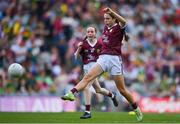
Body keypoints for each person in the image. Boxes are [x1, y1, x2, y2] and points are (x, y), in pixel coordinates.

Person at [61, 7, 143, 121]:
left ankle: (136, 109)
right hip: (103, 58)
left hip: (115, 60)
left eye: (108, 19)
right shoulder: (105, 28)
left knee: (122, 90)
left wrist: (112, 12)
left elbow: (124, 22)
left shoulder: (119, 27)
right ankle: (71, 93)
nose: (106, 21)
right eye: (105, 19)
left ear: (114, 19)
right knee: (88, 77)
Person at [71, 26, 118, 119]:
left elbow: (105, 55)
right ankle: (112, 95)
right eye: (88, 32)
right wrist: (78, 49)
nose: (90, 33)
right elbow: (76, 57)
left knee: (86, 87)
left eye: (92, 31)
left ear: (95, 33)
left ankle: (87, 111)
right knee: (98, 90)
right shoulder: (83, 44)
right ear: (86, 33)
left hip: (96, 69)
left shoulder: (100, 43)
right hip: (86, 69)